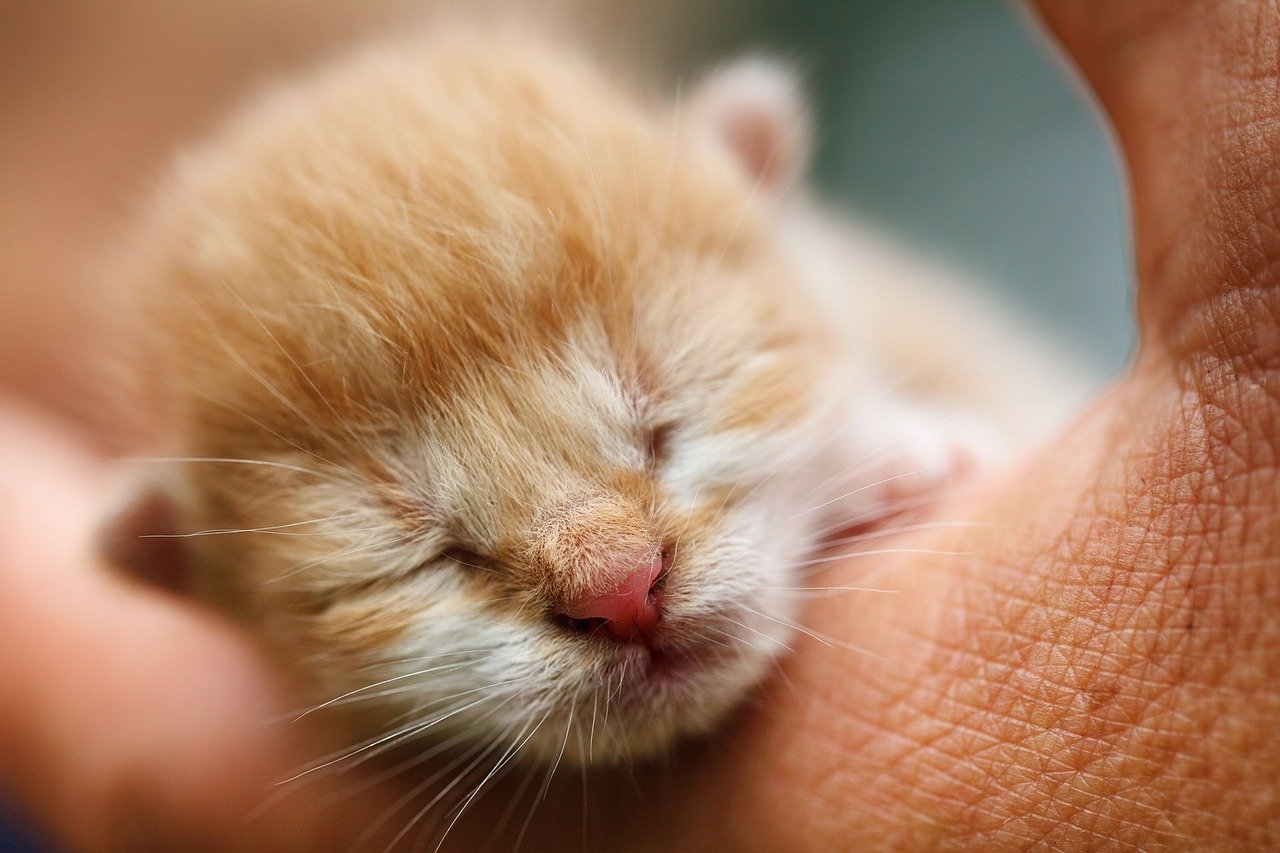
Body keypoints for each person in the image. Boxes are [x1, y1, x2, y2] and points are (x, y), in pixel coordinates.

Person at [1, 1, 1277, 847]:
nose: (613, 581)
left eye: (660, 425)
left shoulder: (845, 289)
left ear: (754, 178)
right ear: (187, 571)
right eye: (410, 552)